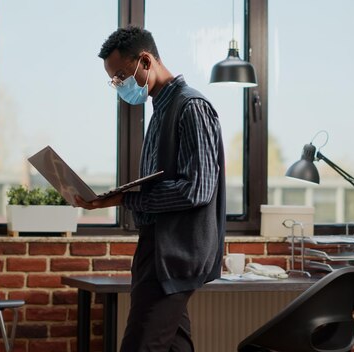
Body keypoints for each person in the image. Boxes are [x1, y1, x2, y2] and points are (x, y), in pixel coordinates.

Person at [74, 26, 226, 352]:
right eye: (113, 80)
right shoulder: (160, 111)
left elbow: (196, 189)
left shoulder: (191, 107)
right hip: (157, 250)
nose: (118, 85)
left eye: (120, 75)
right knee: (174, 345)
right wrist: (119, 199)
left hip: (173, 255)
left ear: (145, 61)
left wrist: (130, 197)